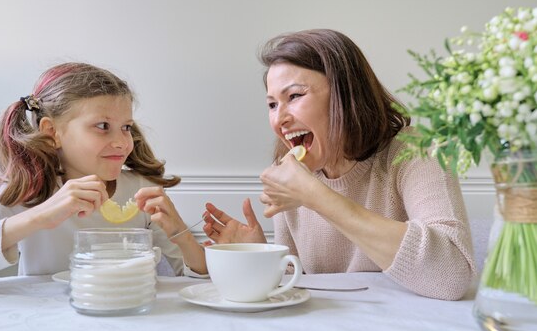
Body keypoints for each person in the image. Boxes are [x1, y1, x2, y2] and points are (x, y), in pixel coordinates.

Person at [203, 29, 476, 301]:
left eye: (295, 96)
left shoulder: (415, 151)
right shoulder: (288, 172)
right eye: (272, 104)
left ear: (345, 95)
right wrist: (258, 255)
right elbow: (297, 289)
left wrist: (315, 197)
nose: (279, 119)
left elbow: (452, 277)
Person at [0, 62, 207, 290]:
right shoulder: (29, 192)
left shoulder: (141, 189)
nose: (122, 142)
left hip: (126, 316)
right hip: (45, 327)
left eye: (126, 127)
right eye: (103, 126)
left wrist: (180, 232)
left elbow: (190, 280)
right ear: (52, 132)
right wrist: (38, 216)